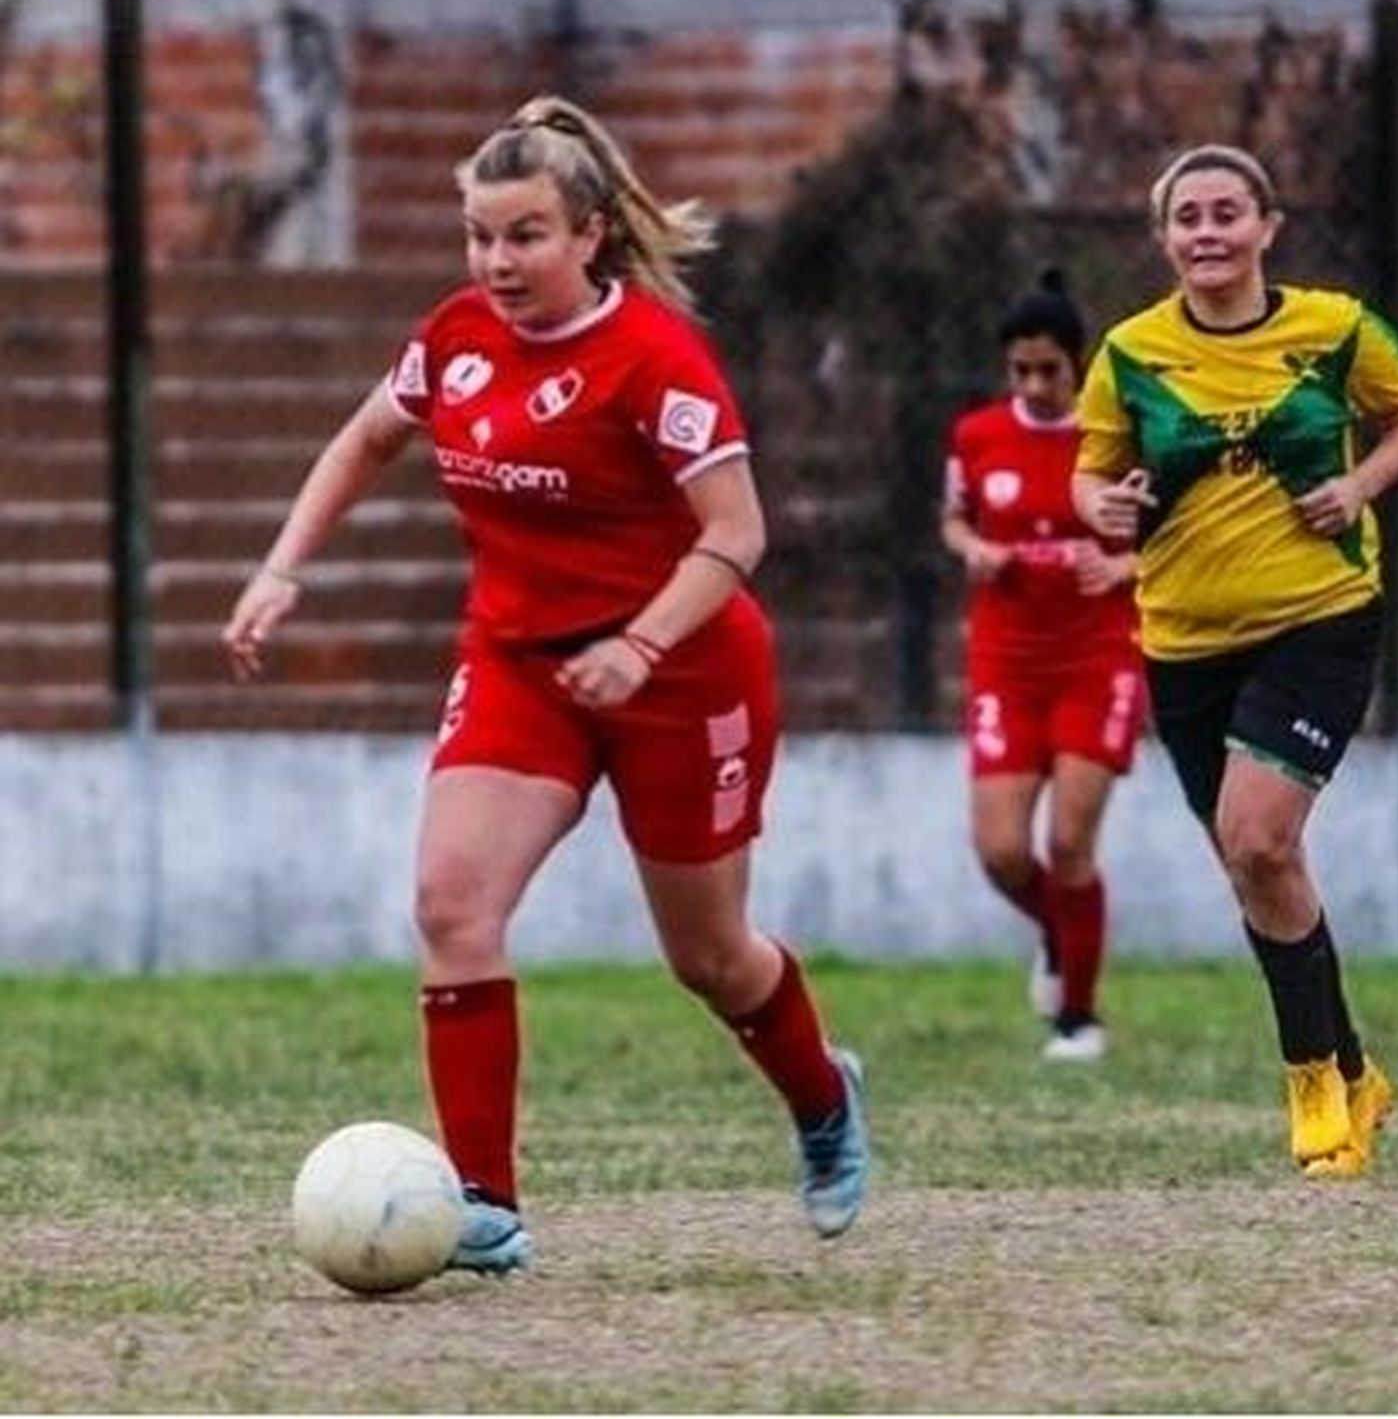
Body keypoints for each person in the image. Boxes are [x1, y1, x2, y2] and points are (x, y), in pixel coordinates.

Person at [221, 95, 870, 1273]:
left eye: (523, 236)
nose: (496, 262)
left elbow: (736, 533)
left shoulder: (657, 361)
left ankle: (824, 1101)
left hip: (684, 672)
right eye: (479, 236)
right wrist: (281, 570)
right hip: (522, 666)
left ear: (588, 238)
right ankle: (483, 1203)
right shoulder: (456, 335)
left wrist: (642, 646)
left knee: (711, 957)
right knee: (452, 904)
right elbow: (366, 438)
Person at [1073, 143, 1398, 1177]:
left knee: (1259, 838)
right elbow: (1092, 469)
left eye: (1226, 213)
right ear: (1164, 239)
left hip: (1318, 619)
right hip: (1185, 642)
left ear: (1266, 227)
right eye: (1187, 217)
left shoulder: (1330, 327)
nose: (1207, 232)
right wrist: (1099, 505)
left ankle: (1311, 1087)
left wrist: (1362, 484)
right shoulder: (1130, 351)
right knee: (1253, 867)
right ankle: (1361, 1071)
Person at [940, 271, 1146, 1063]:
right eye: (1020, 371)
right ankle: (1062, 932)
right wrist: (975, 550)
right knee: (999, 848)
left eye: (1048, 370)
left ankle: (1079, 1017)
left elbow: (1166, 537)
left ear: (1077, 364)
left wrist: (1122, 569)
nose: (1033, 385)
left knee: (1068, 841)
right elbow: (953, 519)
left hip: (1098, 656)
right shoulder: (977, 436)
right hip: (1006, 658)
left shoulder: (1115, 435)